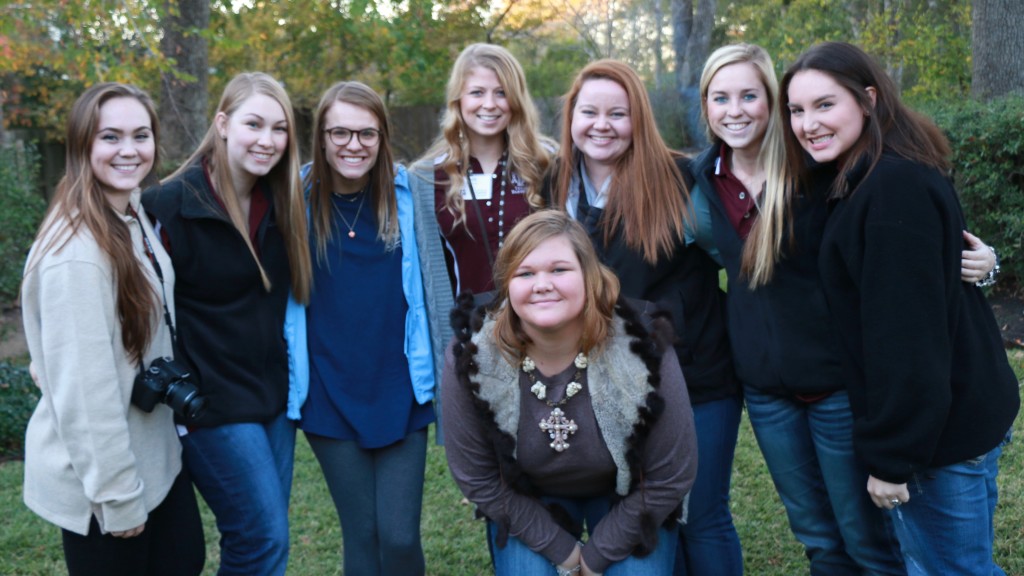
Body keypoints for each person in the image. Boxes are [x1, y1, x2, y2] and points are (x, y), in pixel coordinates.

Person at [689, 43, 999, 575]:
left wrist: (982, 263)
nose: (735, 109)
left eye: (750, 95)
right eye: (720, 97)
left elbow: (908, 311)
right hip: (767, 386)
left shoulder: (828, 174)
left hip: (840, 383)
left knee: (875, 543)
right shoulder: (697, 182)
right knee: (820, 540)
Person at [781, 41, 1019, 575]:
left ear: (867, 99)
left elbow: (906, 341)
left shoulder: (888, 190)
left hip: (941, 438)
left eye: (824, 105)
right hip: (964, 418)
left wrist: (892, 461)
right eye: (796, 110)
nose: (807, 123)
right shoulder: (876, 172)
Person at [544, 59, 742, 575]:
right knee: (654, 517)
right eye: (589, 112)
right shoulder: (554, 184)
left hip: (695, 377)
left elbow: (747, 255)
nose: (601, 125)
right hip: (608, 388)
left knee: (701, 514)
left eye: (618, 113)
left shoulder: (681, 180)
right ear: (571, 118)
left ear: (639, 120)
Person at [443, 210, 697, 576]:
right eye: (525, 273)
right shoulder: (473, 352)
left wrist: (594, 559)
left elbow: (670, 475)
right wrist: (562, 552)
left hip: (629, 493)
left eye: (559, 269)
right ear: (507, 286)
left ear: (589, 277)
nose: (542, 284)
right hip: (527, 495)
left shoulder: (643, 343)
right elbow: (478, 477)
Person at [21, 83, 204, 575]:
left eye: (140, 135)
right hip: (108, 485)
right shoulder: (76, 253)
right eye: (111, 137)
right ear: (83, 146)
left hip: (155, 459)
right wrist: (118, 497)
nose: (129, 150)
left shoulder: (128, 212)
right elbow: (86, 392)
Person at [143, 72, 313, 576]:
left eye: (279, 129)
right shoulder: (168, 205)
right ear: (222, 123)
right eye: (253, 124)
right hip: (211, 403)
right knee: (260, 539)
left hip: (272, 399)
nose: (268, 140)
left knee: (266, 537)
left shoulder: (281, 203)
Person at [284, 81, 435, 575]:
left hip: (400, 387)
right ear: (322, 138)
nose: (354, 144)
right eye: (341, 132)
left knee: (398, 536)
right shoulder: (294, 201)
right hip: (328, 390)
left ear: (382, 136)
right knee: (362, 535)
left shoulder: (411, 197)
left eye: (366, 133)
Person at [410, 43, 555, 404]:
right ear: (458, 99)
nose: (489, 104)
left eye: (501, 93)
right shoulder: (427, 177)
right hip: (470, 339)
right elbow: (431, 273)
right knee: (481, 448)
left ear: (516, 100)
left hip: (545, 330)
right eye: (477, 92)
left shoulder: (549, 164)